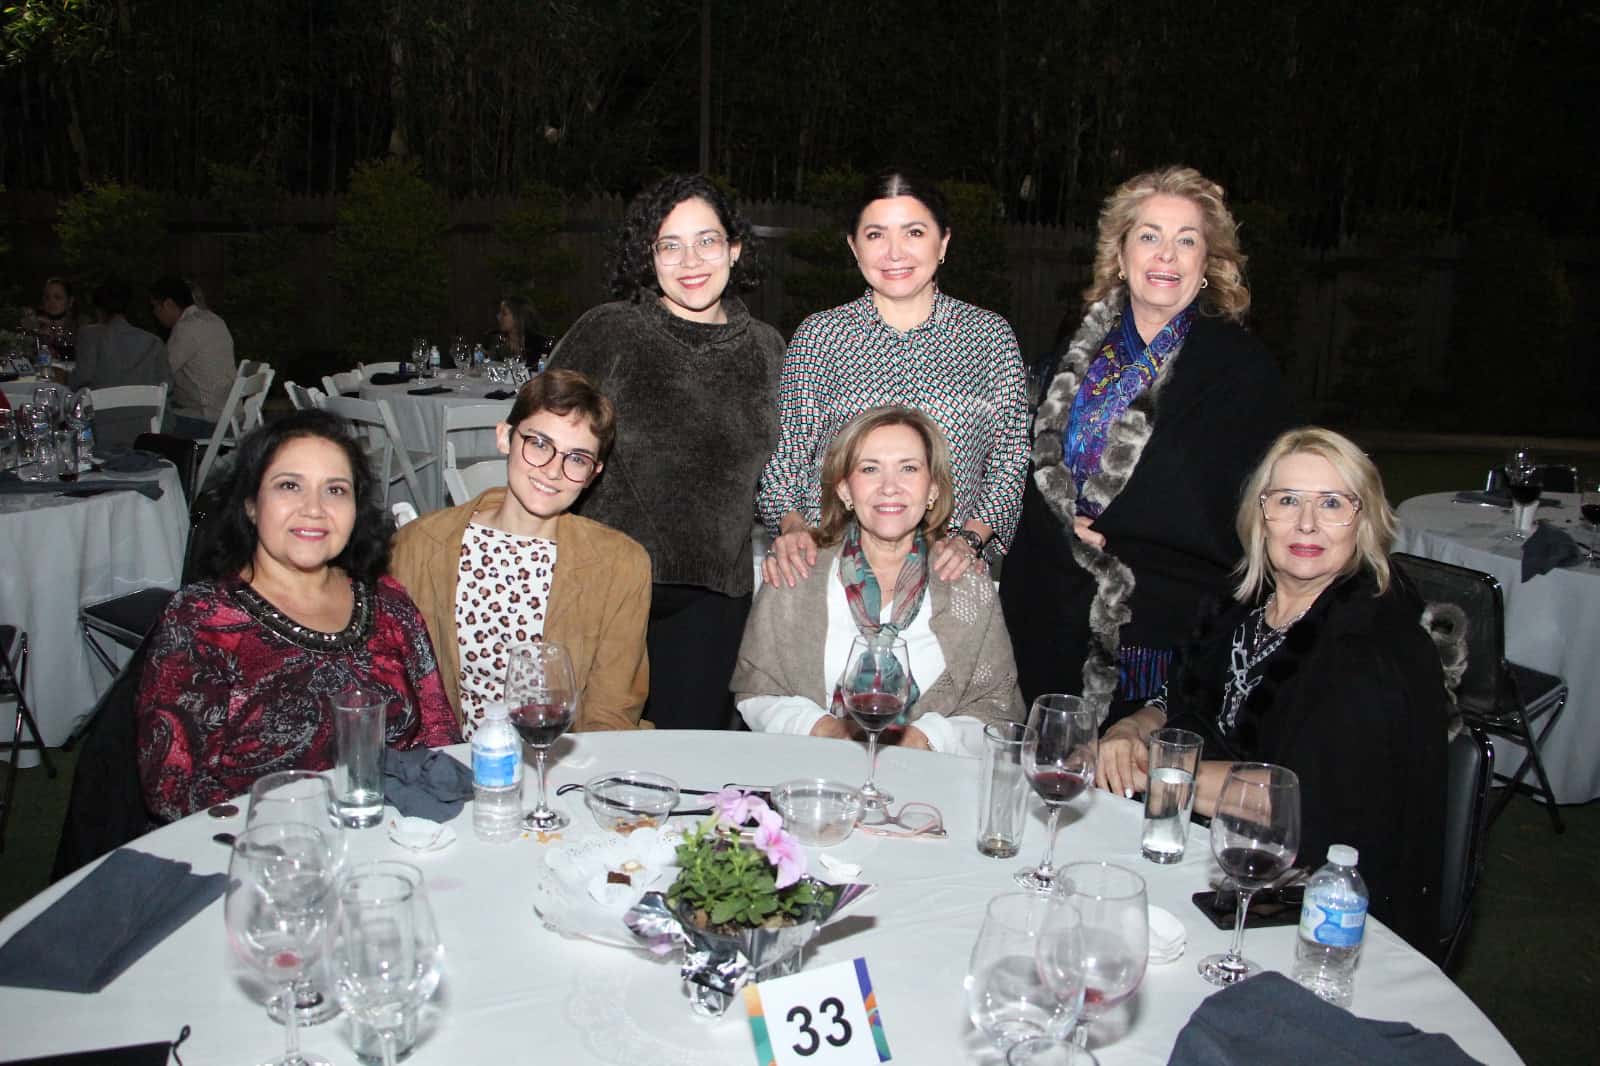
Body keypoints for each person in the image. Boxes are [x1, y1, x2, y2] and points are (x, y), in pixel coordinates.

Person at [1096, 427, 1447, 949]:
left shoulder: (1373, 647)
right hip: (1217, 863)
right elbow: (1181, 698)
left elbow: (1291, 802)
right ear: (1260, 516)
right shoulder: (1242, 606)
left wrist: (1162, 769)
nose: (1307, 523)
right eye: (1287, 500)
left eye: (1332, 503)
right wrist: (1134, 727)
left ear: (1365, 519)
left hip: (1322, 909)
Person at [1000, 166, 1293, 713]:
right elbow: (1022, 467)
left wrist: (1109, 530)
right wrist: (1057, 529)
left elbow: (1231, 510)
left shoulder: (1241, 372)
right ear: (1120, 254)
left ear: (1208, 264)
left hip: (1158, 625)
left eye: (1187, 241)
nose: (1166, 256)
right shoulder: (1074, 353)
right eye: (1149, 237)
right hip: (1049, 605)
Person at [136, 410, 460, 822]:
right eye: (290, 486)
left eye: (336, 490)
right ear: (251, 504)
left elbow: (439, 737)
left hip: (394, 838)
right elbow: (174, 795)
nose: (314, 509)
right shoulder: (202, 620)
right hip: (260, 856)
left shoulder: (388, 603)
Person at [546, 174, 785, 730]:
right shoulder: (609, 331)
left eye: (706, 240)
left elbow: (784, 474)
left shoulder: (768, 351)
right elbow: (542, 436)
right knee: (588, 761)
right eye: (669, 244)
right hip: (603, 587)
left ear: (734, 248)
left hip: (713, 599)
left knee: (691, 766)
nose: (690, 260)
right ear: (647, 257)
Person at [759, 169, 1028, 589]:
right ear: (853, 246)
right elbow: (785, 458)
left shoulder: (989, 337)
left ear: (943, 242)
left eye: (914, 232)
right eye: (875, 235)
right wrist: (792, 527)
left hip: (949, 574)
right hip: (829, 572)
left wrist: (971, 540)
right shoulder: (821, 337)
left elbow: (1010, 458)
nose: (894, 252)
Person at [733, 407, 1024, 755]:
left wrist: (926, 738)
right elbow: (757, 690)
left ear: (932, 488)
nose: (890, 487)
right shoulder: (796, 571)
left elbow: (998, 711)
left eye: (909, 468)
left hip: (932, 792)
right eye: (870, 468)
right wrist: (823, 729)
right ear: (844, 489)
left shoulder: (967, 586)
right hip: (808, 782)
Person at [389, 369, 651, 738]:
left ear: (594, 473)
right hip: (444, 766)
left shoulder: (620, 565)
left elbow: (611, 712)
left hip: (559, 764)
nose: (553, 471)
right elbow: (391, 683)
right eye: (540, 444)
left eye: (576, 459)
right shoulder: (419, 545)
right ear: (505, 437)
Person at [69, 278, 176, 445]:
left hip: (101, 432)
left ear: (99, 310)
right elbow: (167, 385)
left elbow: (81, 379)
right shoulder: (153, 341)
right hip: (149, 432)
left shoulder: (89, 336)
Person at [149, 274, 236, 437]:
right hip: (230, 415)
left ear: (168, 304)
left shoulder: (185, 328)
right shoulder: (214, 319)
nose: (154, 313)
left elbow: (161, 373)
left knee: (148, 420)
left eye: (155, 307)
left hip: (210, 421)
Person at [19, 277, 79, 362]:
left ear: (70, 301)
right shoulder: (36, 326)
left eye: (58, 297)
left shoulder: (79, 329)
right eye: (47, 297)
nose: (51, 301)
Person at [491, 295, 553, 369]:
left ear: (518, 317)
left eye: (504, 313)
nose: (498, 316)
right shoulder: (497, 340)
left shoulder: (540, 343)